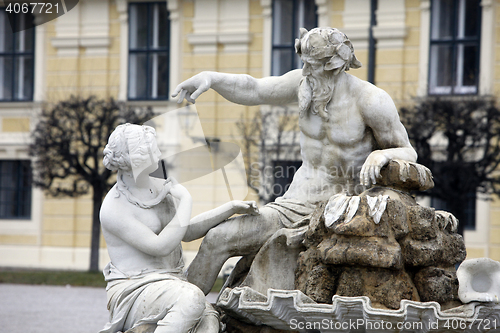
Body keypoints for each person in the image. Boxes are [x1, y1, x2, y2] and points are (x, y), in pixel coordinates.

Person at [172, 27, 418, 295]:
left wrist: (382, 153)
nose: (305, 72)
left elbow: (408, 151)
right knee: (218, 238)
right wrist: (211, 78)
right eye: (304, 64)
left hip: (343, 210)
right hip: (294, 204)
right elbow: (254, 89)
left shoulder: (371, 100)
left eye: (312, 66)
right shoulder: (303, 84)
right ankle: (184, 308)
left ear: (334, 65)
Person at [99, 124, 258, 333]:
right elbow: (160, 246)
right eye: (153, 150)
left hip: (171, 283)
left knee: (209, 320)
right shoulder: (113, 208)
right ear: (135, 160)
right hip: (135, 290)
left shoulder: (157, 186)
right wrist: (186, 200)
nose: (159, 153)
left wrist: (230, 208)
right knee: (192, 298)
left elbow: (185, 230)